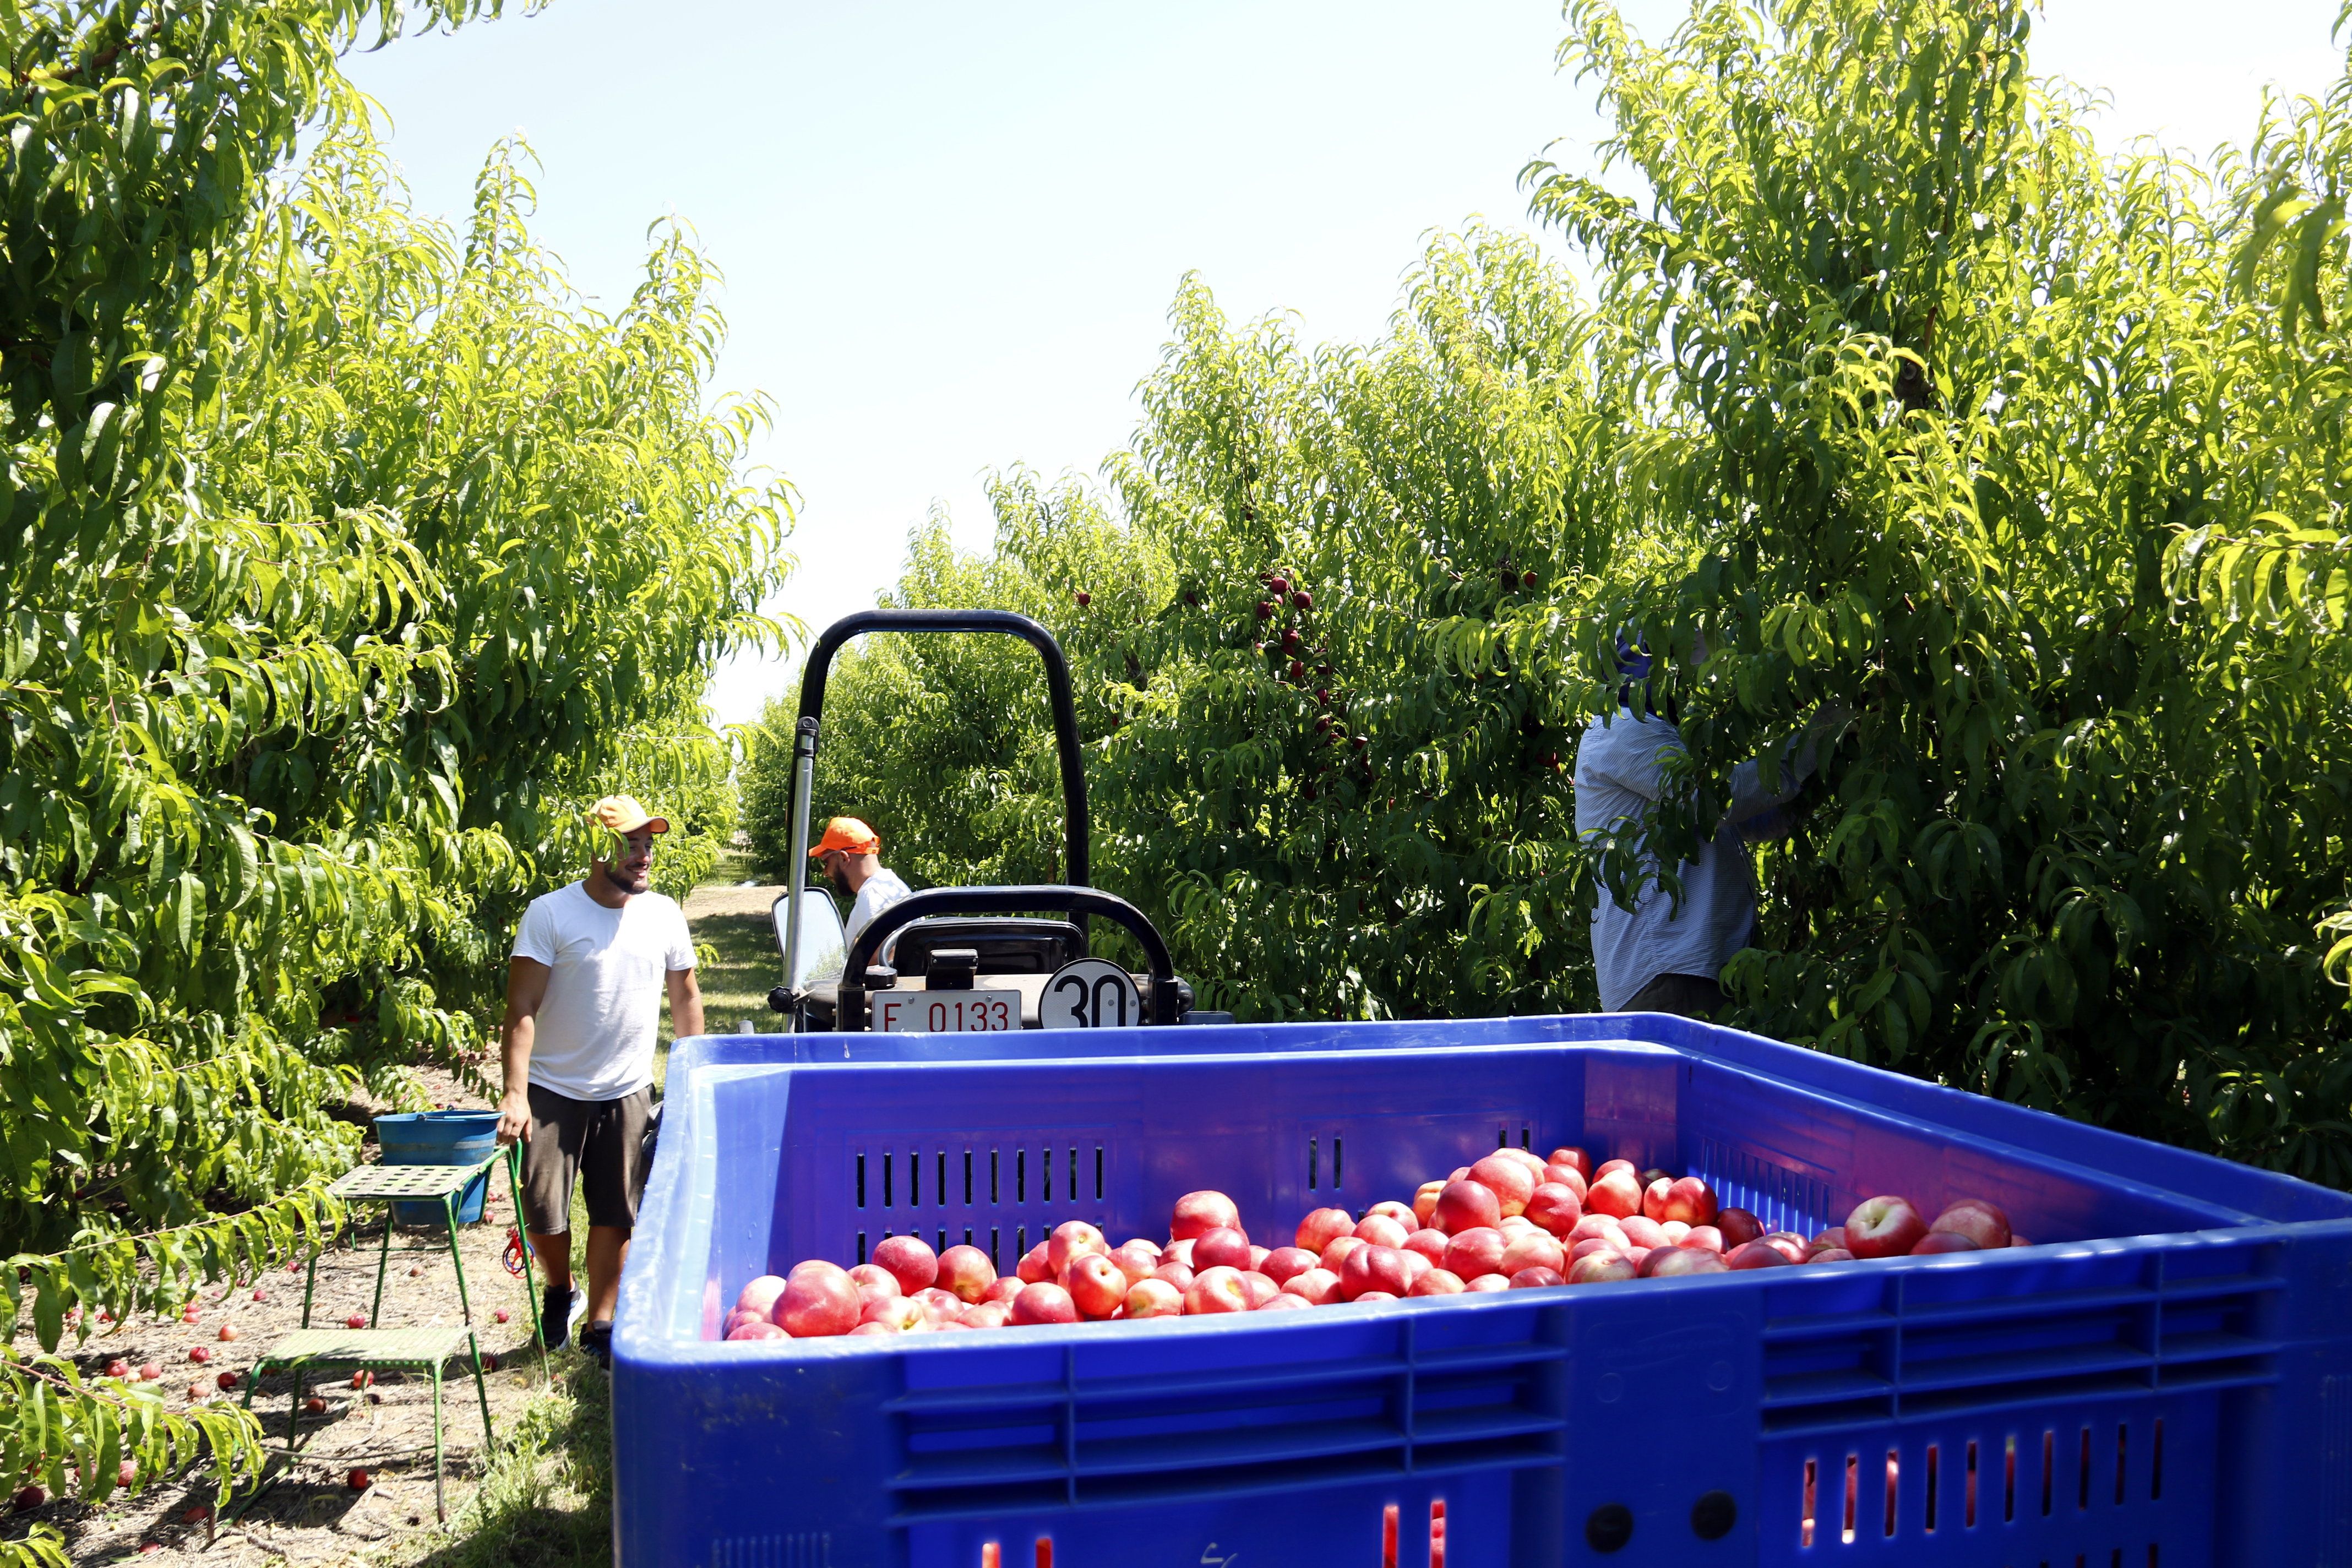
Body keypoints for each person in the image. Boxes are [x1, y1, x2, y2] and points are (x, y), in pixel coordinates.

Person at [497, 795, 702, 1366]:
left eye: (648, 844)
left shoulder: (663, 913)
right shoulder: (551, 913)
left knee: (617, 1208)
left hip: (628, 1085)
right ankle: (561, 1290)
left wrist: (692, 1070)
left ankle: (602, 1324)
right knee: (543, 1211)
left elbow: (685, 996)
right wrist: (516, 1091)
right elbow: (522, 1006)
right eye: (631, 844)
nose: (643, 855)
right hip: (553, 1088)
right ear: (596, 849)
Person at [1575, 641, 1839, 1019]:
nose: (1687, 683)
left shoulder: (1670, 743)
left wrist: (1827, 763)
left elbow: (1755, 819)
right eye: (1678, 669)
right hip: (1670, 970)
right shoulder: (1623, 728)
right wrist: (1813, 741)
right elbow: (1719, 799)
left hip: (1699, 968)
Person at [810, 815, 912, 954]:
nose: (825, 873)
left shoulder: (872, 896)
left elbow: (880, 962)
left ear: (844, 858)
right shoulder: (892, 886)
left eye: (826, 862)